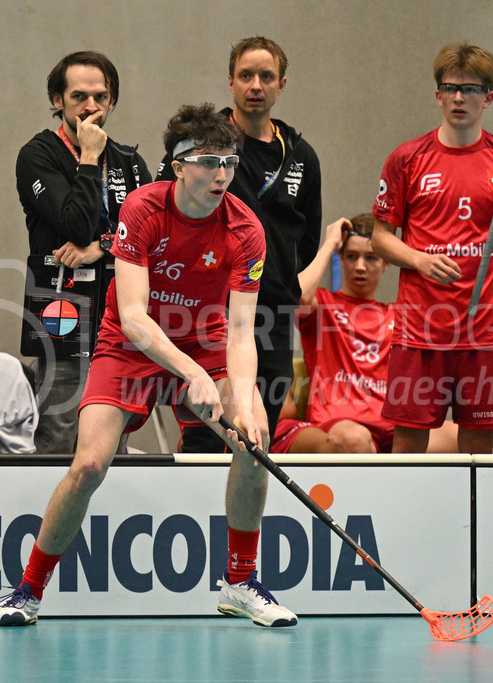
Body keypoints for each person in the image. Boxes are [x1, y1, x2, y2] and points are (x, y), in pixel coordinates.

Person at [0, 103, 297, 629]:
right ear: (178, 166)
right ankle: (27, 590)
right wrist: (190, 374)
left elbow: (242, 330)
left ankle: (241, 582)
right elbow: (133, 317)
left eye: (228, 161)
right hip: (130, 347)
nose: (221, 173)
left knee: (253, 441)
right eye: (207, 161)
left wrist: (243, 403)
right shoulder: (143, 209)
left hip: (205, 345)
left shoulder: (246, 230)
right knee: (89, 464)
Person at [370, 43, 493, 455]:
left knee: (480, 446)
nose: (460, 98)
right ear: (438, 95)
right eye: (450, 88)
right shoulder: (407, 159)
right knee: (408, 440)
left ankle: (473, 520)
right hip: (420, 329)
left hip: (485, 331)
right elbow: (380, 236)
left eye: (471, 89)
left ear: (489, 98)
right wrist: (420, 260)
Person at [156, 36, 322, 452]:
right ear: (230, 81)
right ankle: (195, 515)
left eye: (266, 76)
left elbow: (309, 239)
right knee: (208, 427)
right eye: (246, 75)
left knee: (256, 430)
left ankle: (241, 516)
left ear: (282, 84)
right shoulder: (204, 148)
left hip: (272, 314)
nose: (255, 85)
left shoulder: (302, 156)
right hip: (209, 311)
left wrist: (289, 288)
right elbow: (164, 212)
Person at [17, 51, 151, 453]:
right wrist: (90, 156)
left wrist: (102, 246)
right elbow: (74, 222)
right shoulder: (38, 155)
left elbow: (151, 240)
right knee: (60, 429)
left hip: (118, 311)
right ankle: (51, 517)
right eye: (79, 97)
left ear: (112, 101)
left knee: (113, 435)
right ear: (57, 99)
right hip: (62, 304)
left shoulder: (129, 161)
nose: (91, 107)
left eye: (100, 97)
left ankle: (109, 517)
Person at [270, 213, 465, 454]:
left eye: (371, 258)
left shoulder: (399, 314)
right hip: (342, 424)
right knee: (355, 440)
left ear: (386, 263)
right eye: (351, 256)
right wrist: (330, 244)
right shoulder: (322, 305)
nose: (360, 266)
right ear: (341, 258)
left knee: (472, 442)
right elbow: (296, 297)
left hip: (393, 426)